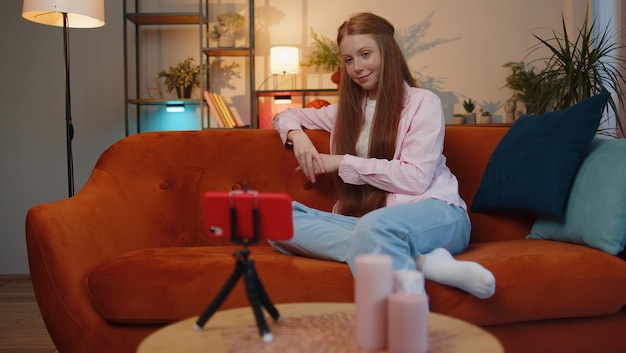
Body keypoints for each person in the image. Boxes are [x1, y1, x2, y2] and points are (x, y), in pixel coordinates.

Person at [270, 12, 495, 299]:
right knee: (277, 220)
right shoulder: (345, 112)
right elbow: (285, 115)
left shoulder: (422, 103)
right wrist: (297, 136)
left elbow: (415, 179)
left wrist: (340, 161)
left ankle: (407, 334)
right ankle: (423, 262)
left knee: (375, 227)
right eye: (349, 59)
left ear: (387, 51)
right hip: (373, 224)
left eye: (365, 54)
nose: (357, 67)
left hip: (436, 212)